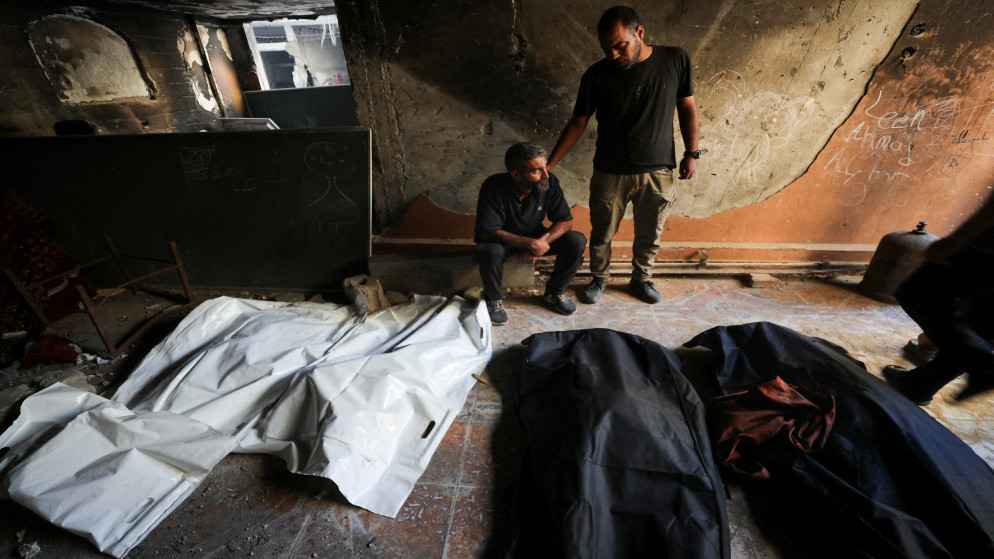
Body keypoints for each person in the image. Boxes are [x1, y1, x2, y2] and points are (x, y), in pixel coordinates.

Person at [546, 5, 699, 305]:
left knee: (650, 233)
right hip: (609, 170)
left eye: (620, 46)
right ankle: (599, 278)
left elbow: (687, 106)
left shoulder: (676, 59)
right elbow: (577, 123)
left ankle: (642, 279)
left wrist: (692, 153)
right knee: (602, 232)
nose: (613, 55)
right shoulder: (595, 75)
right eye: (606, 49)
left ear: (639, 33)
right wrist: (549, 165)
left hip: (658, 170)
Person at [883, 191, 994, 405]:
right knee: (980, 326)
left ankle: (983, 365)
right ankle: (920, 385)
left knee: (916, 292)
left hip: (987, 250)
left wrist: (958, 238)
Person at [475, 142, 587, 325]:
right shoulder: (494, 186)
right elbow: (488, 232)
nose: (545, 174)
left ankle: (555, 292)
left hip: (535, 236)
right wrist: (530, 244)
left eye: (545, 167)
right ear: (516, 174)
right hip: (502, 240)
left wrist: (540, 243)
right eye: (537, 171)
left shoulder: (548, 182)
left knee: (577, 240)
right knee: (490, 250)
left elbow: (565, 221)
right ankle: (493, 298)